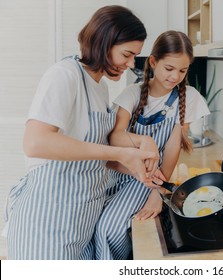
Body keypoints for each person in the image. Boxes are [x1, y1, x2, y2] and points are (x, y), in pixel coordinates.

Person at [3, 5, 164, 260]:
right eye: (127, 54)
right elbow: (36, 142)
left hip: (79, 223)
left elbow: (90, 156)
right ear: (104, 42)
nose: (131, 63)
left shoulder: (99, 87)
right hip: (48, 223)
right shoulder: (65, 75)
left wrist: (136, 167)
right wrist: (122, 153)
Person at [92, 30, 210, 260]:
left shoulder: (189, 97)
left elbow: (173, 148)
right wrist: (144, 141)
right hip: (118, 174)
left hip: (148, 179)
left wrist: (158, 192)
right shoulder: (132, 93)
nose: (176, 76)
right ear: (153, 62)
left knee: (108, 230)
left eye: (183, 70)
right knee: (93, 228)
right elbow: (115, 137)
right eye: (169, 68)